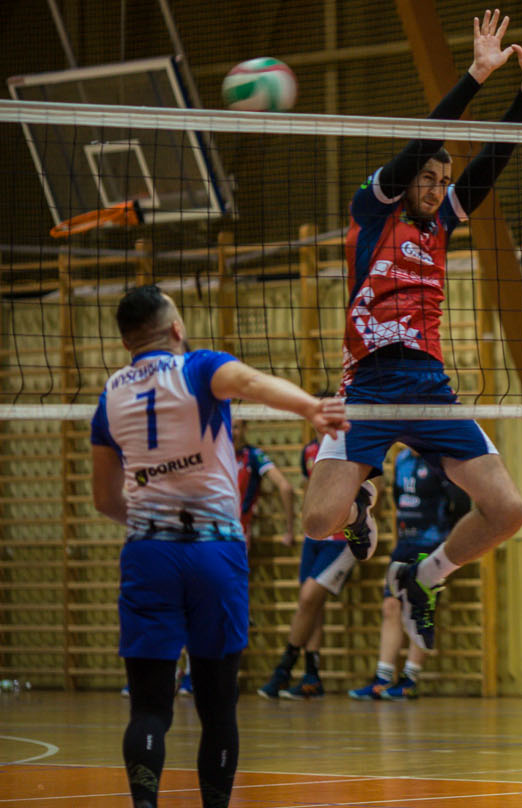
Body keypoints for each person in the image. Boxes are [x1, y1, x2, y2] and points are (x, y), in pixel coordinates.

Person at [301, 10, 522, 653]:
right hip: (367, 388)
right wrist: (476, 74)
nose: (437, 188)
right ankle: (359, 506)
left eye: (443, 182)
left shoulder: (441, 222)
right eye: (429, 178)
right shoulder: (374, 207)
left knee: (509, 511)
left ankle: (425, 576)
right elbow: (424, 142)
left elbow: (492, 162)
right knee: (316, 521)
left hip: (428, 387)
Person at [89, 285, 347, 808]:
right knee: (218, 708)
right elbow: (250, 382)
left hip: (149, 553)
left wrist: (151, 522)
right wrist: (311, 408)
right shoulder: (199, 367)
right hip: (215, 553)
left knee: (149, 708)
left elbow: (104, 499)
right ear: (176, 329)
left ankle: (144, 804)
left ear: (126, 342)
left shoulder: (109, 397)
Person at [350, 447, 469, 701]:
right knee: (390, 606)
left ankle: (410, 679)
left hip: (431, 545)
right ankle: (383, 678)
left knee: (420, 608)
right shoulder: (401, 459)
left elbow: (461, 503)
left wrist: (451, 546)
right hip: (404, 545)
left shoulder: (439, 459)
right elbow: (397, 499)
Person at [256, 437, 366, 700]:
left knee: (307, 598)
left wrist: (360, 530)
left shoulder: (357, 444)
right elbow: (310, 489)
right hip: (315, 538)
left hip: (341, 541)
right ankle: (311, 677)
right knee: (311, 605)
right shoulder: (310, 450)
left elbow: (377, 490)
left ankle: (284, 669)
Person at [234, 419, 294, 550]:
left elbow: (285, 487)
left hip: (239, 529)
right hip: (214, 526)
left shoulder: (253, 455)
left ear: (245, 428)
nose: (232, 432)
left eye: (236, 427)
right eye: (229, 427)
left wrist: (289, 530)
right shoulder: (219, 454)